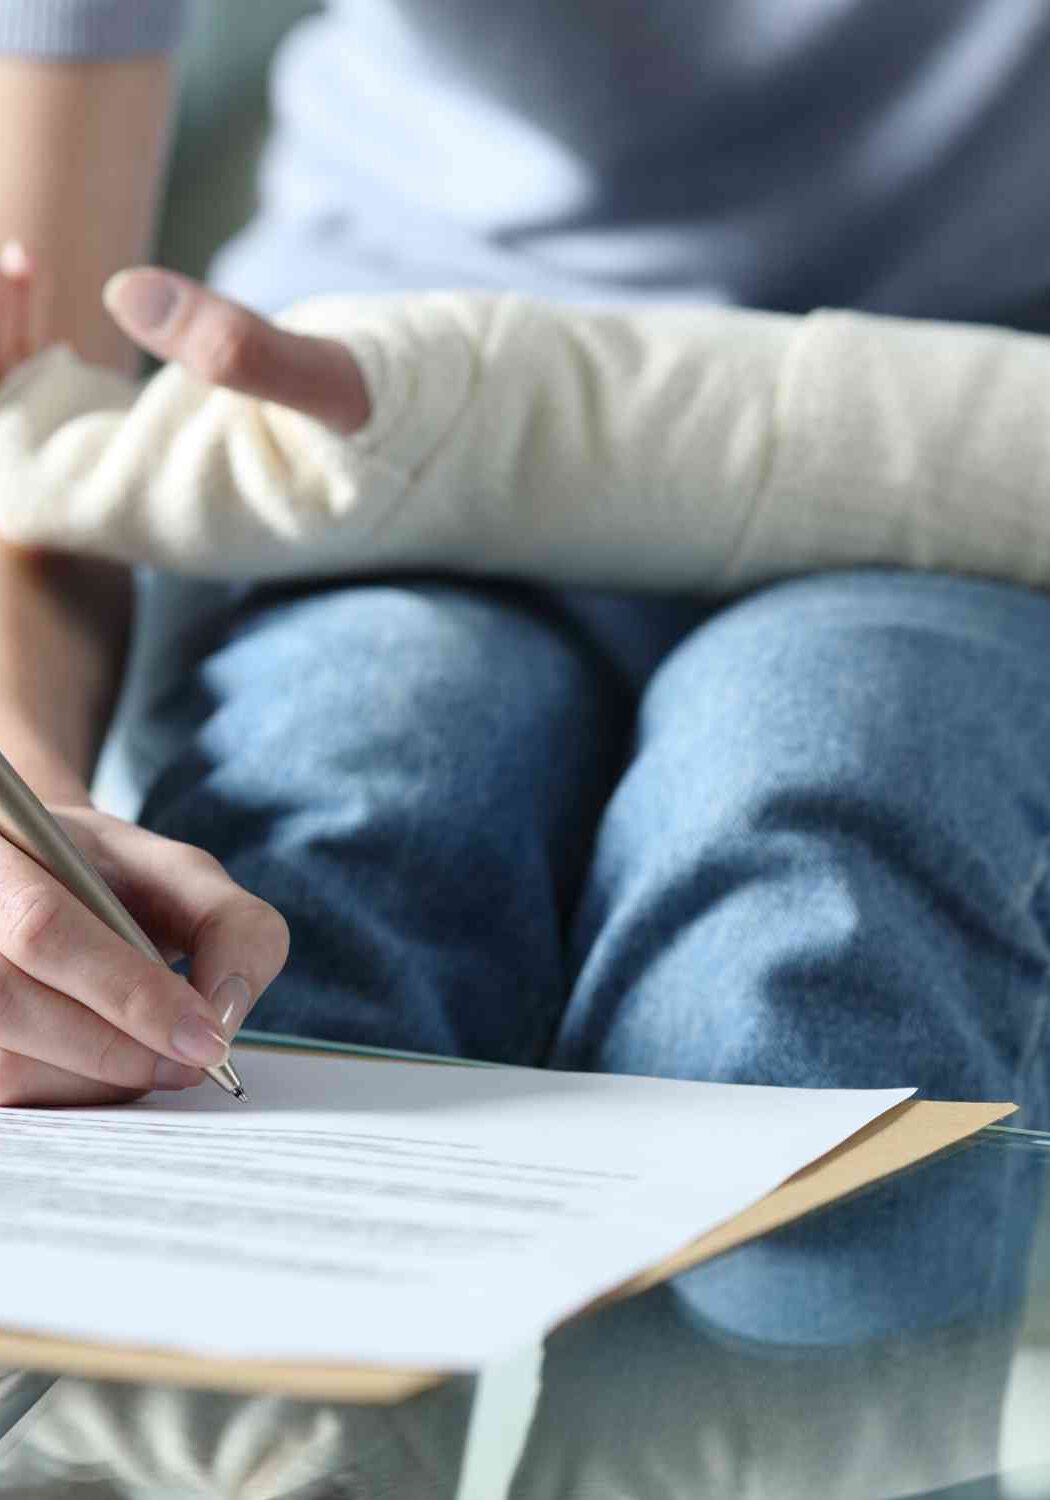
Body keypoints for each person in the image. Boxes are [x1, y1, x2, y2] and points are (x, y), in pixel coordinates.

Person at [0, 0, 1048, 1150]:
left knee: (819, 896)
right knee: (334, 828)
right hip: (363, 440)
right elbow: (30, 428)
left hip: (968, 475)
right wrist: (38, 827)